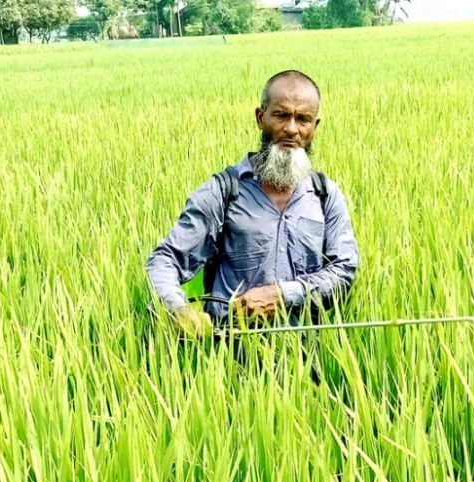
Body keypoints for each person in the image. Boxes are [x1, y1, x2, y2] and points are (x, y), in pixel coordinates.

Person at [146, 70, 360, 337]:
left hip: (307, 360)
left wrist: (283, 294)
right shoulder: (223, 192)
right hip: (232, 354)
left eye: (303, 119)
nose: (291, 128)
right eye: (281, 115)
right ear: (261, 118)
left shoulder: (325, 194)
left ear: (314, 127)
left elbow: (344, 271)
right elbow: (165, 260)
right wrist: (178, 310)